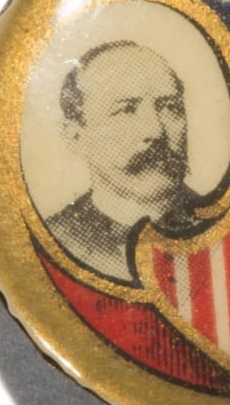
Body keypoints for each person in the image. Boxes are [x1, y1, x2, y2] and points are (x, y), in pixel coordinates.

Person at [45, 41, 201, 279]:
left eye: (169, 108)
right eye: (126, 110)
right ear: (75, 136)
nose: (155, 131)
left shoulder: (227, 223)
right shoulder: (55, 242)